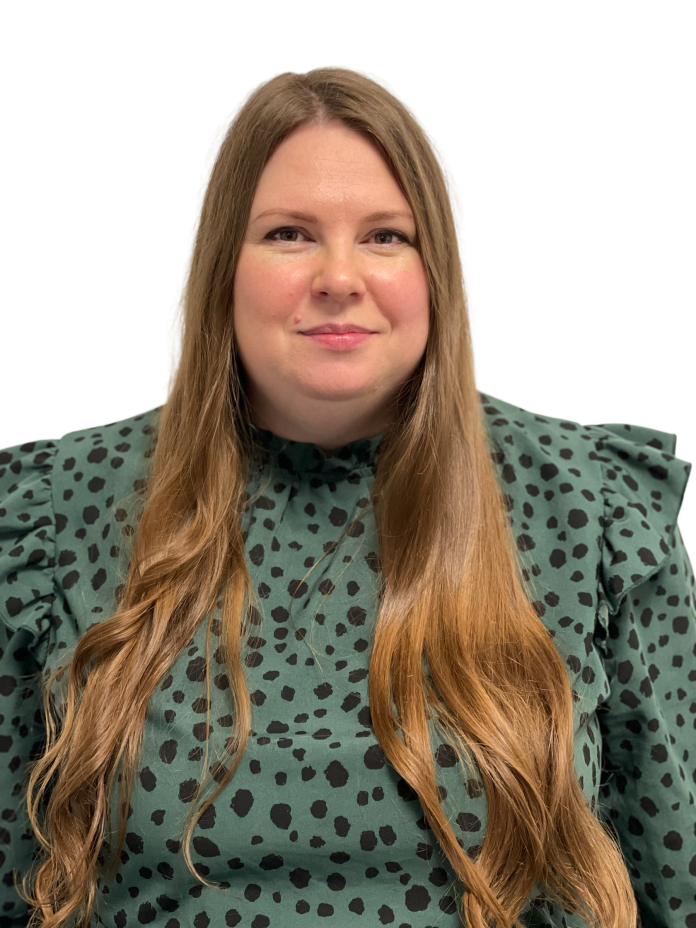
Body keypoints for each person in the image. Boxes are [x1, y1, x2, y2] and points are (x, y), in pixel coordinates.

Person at [1, 65, 693, 928]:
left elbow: (676, 878)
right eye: (289, 234)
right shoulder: (46, 514)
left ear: (436, 271)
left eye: (386, 236)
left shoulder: (595, 510)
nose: (338, 276)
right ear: (222, 268)